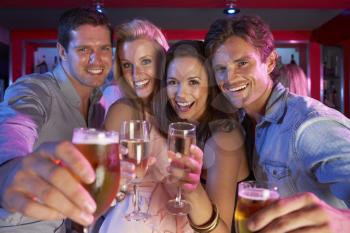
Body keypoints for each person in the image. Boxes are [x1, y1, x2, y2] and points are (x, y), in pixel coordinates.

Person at [204, 15, 350, 232]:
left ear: (270, 62)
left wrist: (344, 221)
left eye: (242, 63)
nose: (230, 78)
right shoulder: (244, 122)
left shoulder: (307, 123)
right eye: (220, 69)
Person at [0, 7, 114, 232]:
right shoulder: (34, 89)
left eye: (104, 48)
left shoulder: (100, 105)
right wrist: (7, 171)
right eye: (83, 49)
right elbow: (15, 126)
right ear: (62, 52)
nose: (96, 59)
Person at [101, 19, 199, 233]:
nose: (136, 74)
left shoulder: (182, 108)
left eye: (145, 61)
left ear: (163, 61)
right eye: (128, 65)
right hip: (133, 224)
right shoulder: (123, 111)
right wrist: (117, 184)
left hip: (184, 222)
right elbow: (104, 189)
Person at [154, 40, 248, 233]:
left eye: (193, 82)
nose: (181, 94)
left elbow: (221, 231)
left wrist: (192, 191)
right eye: (173, 82)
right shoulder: (181, 130)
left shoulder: (225, 137)